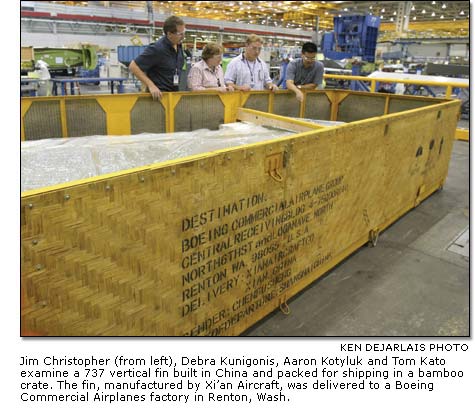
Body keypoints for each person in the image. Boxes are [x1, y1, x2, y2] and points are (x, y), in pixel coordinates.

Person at [129, 16, 185, 100]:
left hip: (173, 96)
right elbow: (133, 66)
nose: (183, 36)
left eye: (184, 32)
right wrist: (151, 85)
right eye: (180, 34)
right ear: (169, 34)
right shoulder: (157, 48)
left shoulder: (179, 46)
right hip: (158, 98)